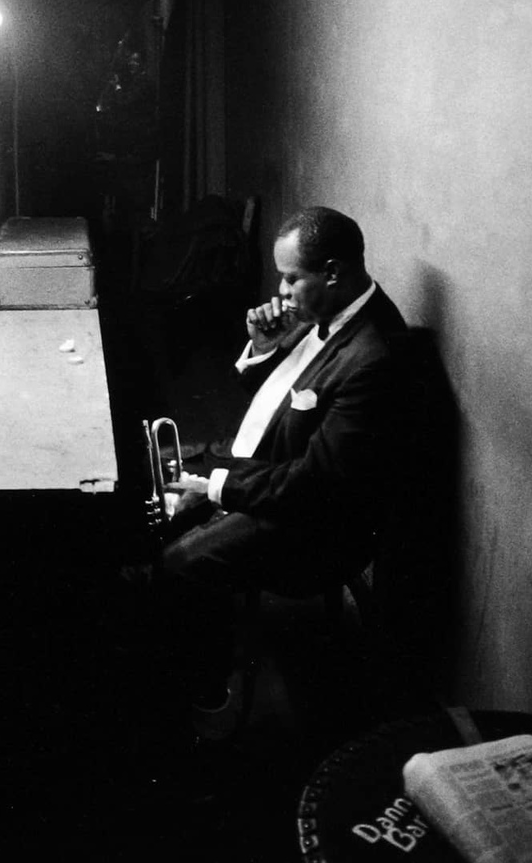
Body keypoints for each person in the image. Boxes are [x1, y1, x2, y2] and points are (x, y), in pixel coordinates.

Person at [158, 205, 408, 739]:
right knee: (159, 487)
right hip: (271, 467)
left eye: (292, 277)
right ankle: (162, 626)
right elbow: (281, 400)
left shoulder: (372, 357)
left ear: (334, 272)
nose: (281, 289)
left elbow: (316, 485)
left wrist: (218, 485)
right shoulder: (327, 312)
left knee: (182, 563)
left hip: (314, 525)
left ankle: (209, 701)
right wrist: (267, 346)